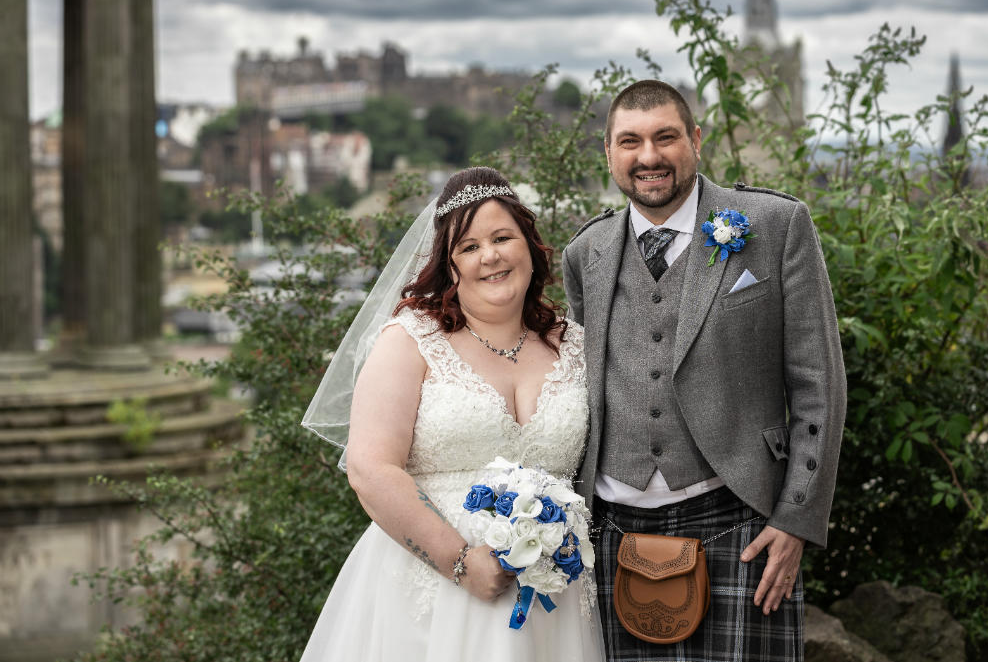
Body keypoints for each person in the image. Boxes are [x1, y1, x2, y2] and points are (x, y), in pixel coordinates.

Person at [562, 80, 846, 662]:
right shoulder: (583, 253)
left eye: (666, 137)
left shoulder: (775, 225)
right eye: (630, 141)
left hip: (741, 522)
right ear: (609, 154)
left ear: (695, 139)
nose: (649, 157)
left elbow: (819, 386)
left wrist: (796, 519)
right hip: (612, 534)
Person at [300, 167, 604, 662]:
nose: (490, 256)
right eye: (469, 247)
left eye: (503, 237)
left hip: (554, 605)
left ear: (530, 245)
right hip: (431, 597)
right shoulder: (411, 341)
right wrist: (461, 562)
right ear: (450, 264)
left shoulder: (576, 344)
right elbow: (370, 469)